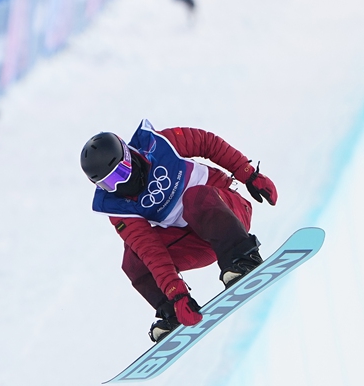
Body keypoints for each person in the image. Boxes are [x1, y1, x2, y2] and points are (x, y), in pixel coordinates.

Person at [81, 120, 279, 342]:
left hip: (227, 213)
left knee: (193, 198)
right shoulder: (117, 206)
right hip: (196, 241)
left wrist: (248, 174)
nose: (120, 185)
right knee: (133, 258)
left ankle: (242, 257)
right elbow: (149, 249)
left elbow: (208, 144)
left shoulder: (159, 145)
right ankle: (173, 311)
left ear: (128, 156)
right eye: (109, 184)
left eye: (121, 173)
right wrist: (177, 294)